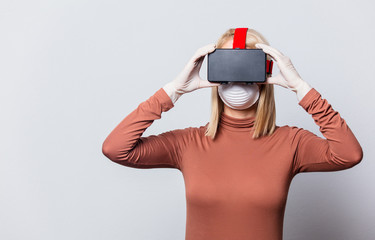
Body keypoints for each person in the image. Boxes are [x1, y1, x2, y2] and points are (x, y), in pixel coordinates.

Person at [102, 28, 363, 240]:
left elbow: (349, 154)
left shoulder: (291, 142)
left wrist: (301, 88)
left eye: (247, 65)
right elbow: (116, 148)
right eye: (228, 65)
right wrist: (174, 90)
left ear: (265, 71)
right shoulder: (188, 142)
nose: (237, 77)